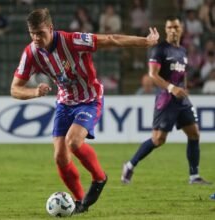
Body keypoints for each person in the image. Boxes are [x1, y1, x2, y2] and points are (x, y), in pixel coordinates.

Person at [10, 8, 159, 214]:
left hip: (90, 99)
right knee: (60, 157)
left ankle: (99, 178)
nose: (36, 38)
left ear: (51, 29)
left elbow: (111, 39)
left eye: (40, 33)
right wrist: (34, 92)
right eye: (32, 33)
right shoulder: (31, 53)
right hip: (64, 103)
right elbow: (15, 89)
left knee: (73, 141)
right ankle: (80, 203)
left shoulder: (72, 40)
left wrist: (145, 42)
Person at [121, 16, 211, 185]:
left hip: (181, 100)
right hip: (166, 99)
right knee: (158, 139)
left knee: (194, 133)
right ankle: (130, 165)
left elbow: (181, 75)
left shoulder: (182, 51)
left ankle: (194, 176)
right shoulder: (160, 49)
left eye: (176, 27)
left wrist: (184, 89)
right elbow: (152, 75)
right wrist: (172, 88)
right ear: (166, 29)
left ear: (181, 29)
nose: (172, 30)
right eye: (169, 27)